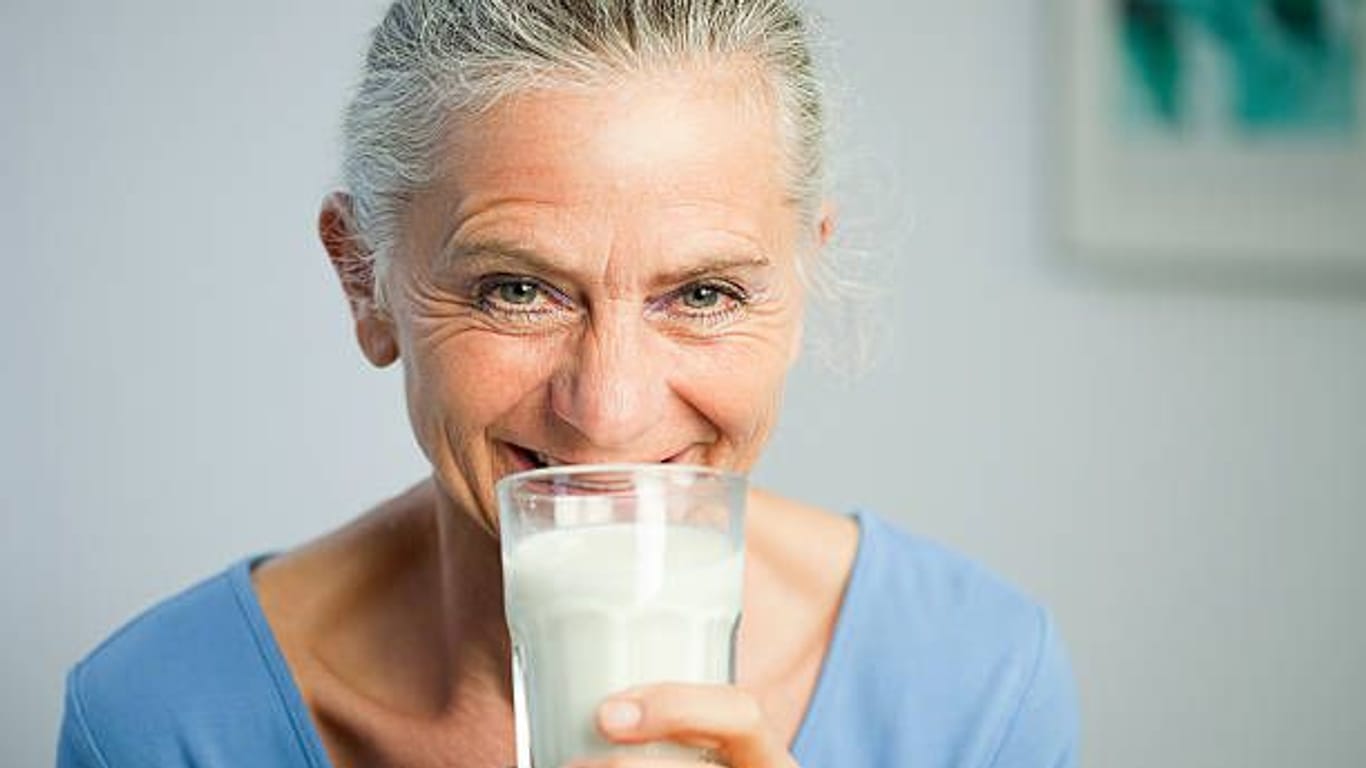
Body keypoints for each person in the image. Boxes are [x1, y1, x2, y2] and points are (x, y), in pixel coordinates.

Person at [57, 1, 1079, 766]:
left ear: (799, 283)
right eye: (516, 289)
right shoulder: (160, 717)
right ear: (365, 281)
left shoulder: (974, 682)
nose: (609, 410)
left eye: (706, 293)